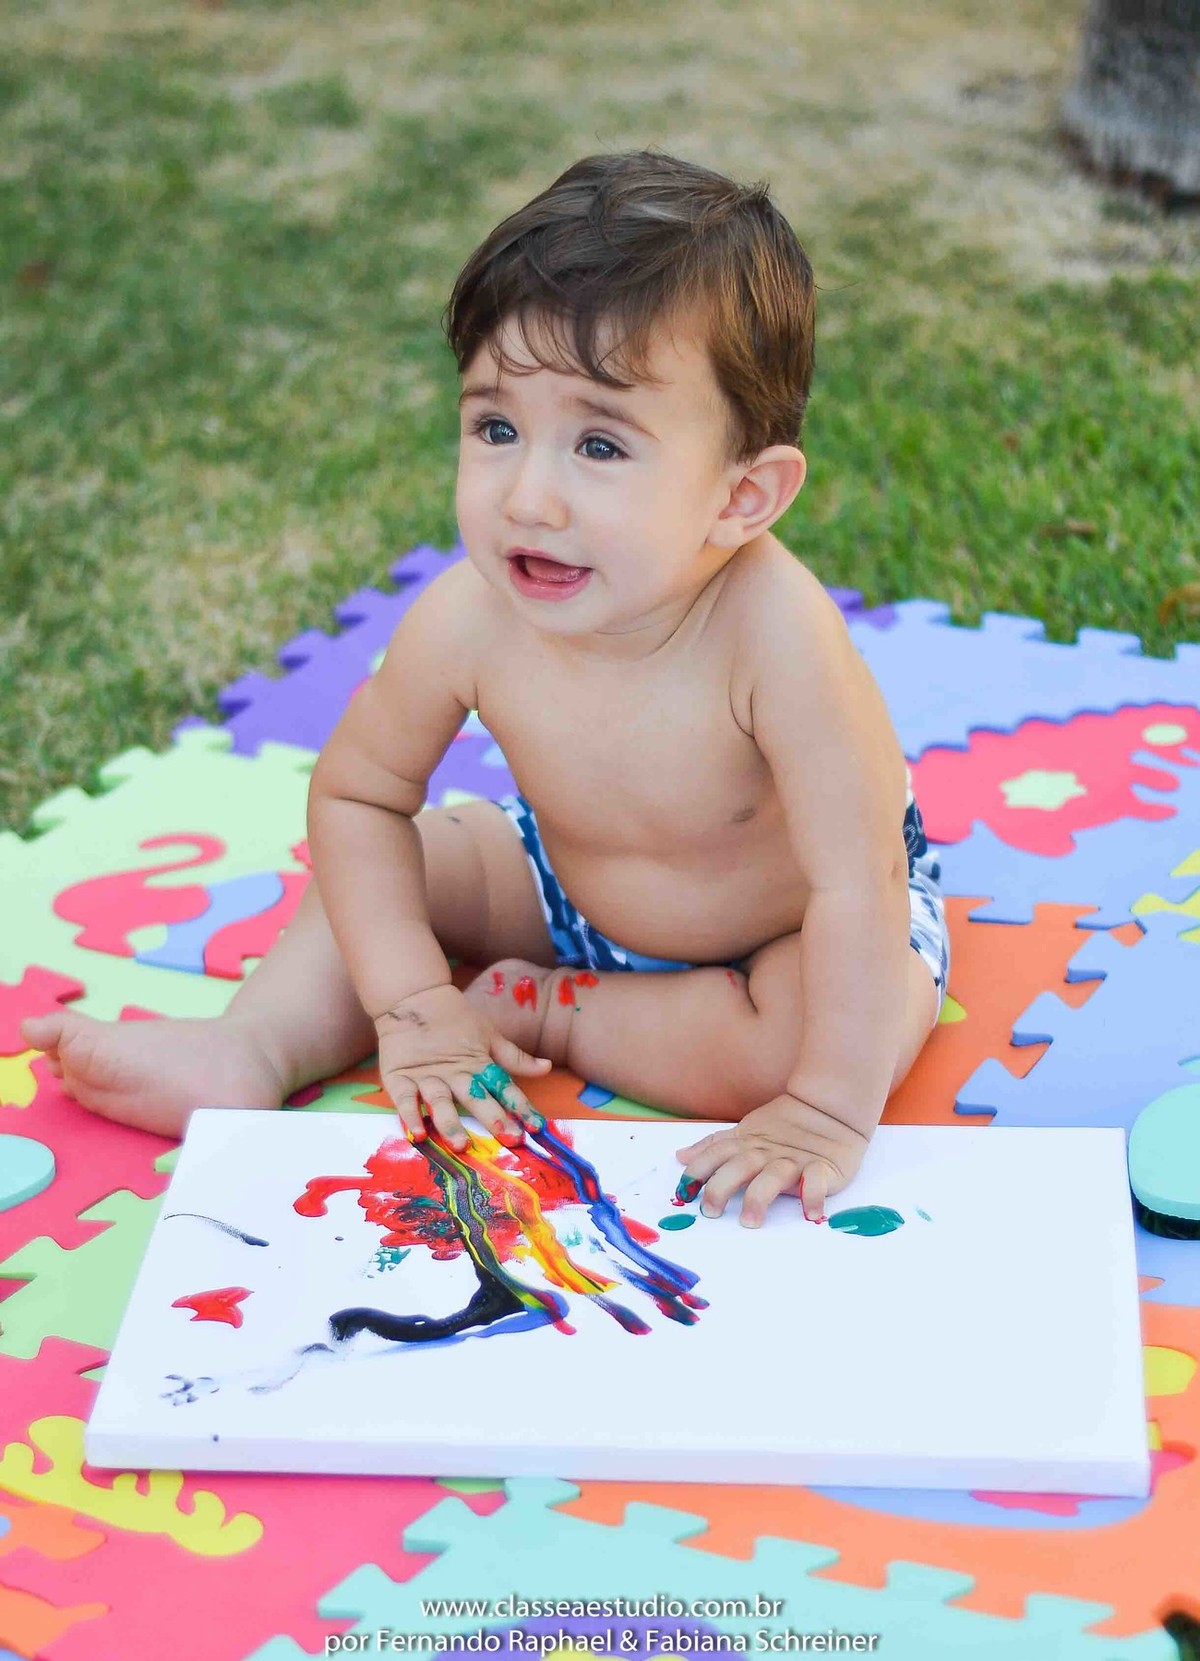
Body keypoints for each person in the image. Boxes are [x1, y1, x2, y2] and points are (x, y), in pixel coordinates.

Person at [21, 149, 949, 1229]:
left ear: (742, 497)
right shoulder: (469, 613)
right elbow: (360, 798)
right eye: (495, 428)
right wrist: (410, 1006)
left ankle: (544, 1007)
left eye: (600, 444)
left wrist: (827, 1109)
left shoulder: (779, 638)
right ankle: (250, 1044)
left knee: (823, 1037)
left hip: (794, 925)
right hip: (565, 879)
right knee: (396, 869)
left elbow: (858, 881)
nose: (527, 495)